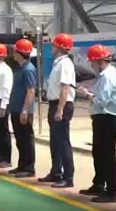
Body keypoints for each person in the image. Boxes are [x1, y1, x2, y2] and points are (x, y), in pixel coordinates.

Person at [76, 44, 116, 203]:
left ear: (99, 61)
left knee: (107, 155)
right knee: (99, 153)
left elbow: (102, 101)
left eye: (92, 63)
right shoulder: (105, 76)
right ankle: (99, 183)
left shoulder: (108, 77)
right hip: (102, 119)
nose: (91, 66)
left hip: (107, 119)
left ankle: (111, 191)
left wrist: (86, 94)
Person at [39, 33, 76, 188]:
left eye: (54, 45)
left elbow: (65, 88)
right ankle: (56, 171)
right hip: (55, 104)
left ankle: (68, 177)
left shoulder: (65, 64)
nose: (52, 47)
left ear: (59, 47)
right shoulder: (58, 63)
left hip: (62, 105)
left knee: (62, 141)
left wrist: (60, 109)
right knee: (55, 141)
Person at [9, 39, 37, 178]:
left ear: (20, 53)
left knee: (26, 139)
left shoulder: (28, 70)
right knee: (20, 139)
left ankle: (29, 168)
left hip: (23, 110)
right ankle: (22, 165)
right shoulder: (20, 69)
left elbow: (30, 91)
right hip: (16, 109)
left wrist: (25, 110)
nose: (13, 54)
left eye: (15, 51)